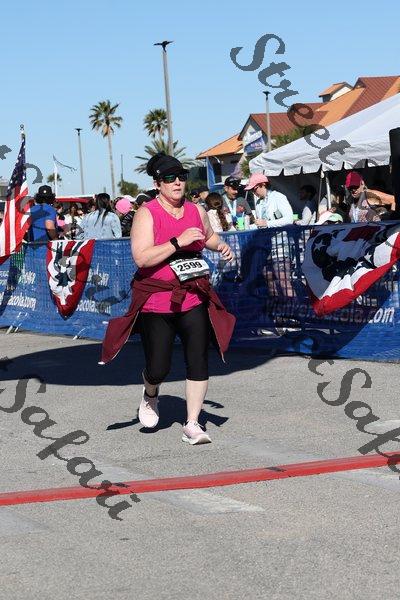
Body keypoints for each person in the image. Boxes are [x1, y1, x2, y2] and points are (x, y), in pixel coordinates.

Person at [100, 152, 236, 445]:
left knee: (198, 358)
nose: (177, 183)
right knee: (159, 366)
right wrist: (177, 242)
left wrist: (220, 245)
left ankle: (192, 423)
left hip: (193, 295)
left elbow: (208, 236)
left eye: (181, 177)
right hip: (157, 300)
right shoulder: (147, 213)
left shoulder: (196, 211)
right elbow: (142, 258)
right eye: (170, 178)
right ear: (157, 183)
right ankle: (150, 393)